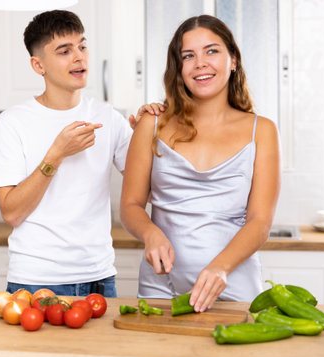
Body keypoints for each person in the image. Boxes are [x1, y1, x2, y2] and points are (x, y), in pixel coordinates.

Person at [0, 10, 161, 297]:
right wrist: (56, 154)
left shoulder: (108, 118)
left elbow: (153, 192)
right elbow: (12, 212)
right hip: (36, 280)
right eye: (64, 51)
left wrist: (149, 133)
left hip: (100, 278)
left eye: (82, 46)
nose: (79, 57)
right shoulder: (13, 122)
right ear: (38, 65)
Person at [120, 15, 281, 312]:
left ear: (233, 60)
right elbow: (130, 205)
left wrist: (220, 268)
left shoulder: (263, 131)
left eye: (212, 51)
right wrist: (150, 233)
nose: (200, 63)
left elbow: (260, 222)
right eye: (188, 56)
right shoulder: (151, 125)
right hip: (160, 284)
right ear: (179, 69)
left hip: (234, 282)